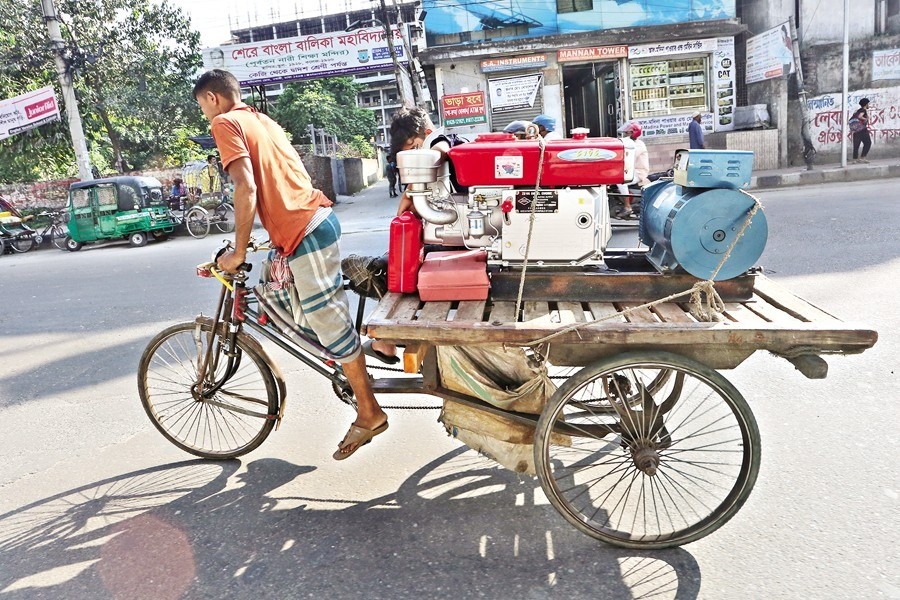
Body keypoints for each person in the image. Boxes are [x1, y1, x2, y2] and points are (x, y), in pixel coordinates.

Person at [192, 69, 387, 460]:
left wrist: (240, 251)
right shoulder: (261, 120)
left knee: (329, 322)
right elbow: (277, 186)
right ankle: (348, 356)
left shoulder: (226, 122)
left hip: (307, 231)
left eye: (202, 108)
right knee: (279, 297)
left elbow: (245, 187)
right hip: (307, 225)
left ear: (212, 98)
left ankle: (369, 412)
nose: (205, 116)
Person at [360, 107, 466, 365]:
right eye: (407, 150)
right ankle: (389, 339)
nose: (412, 154)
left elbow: (439, 153)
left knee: (397, 271)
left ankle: (390, 340)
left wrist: (410, 190)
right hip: (452, 231)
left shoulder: (439, 141)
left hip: (461, 236)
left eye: (413, 145)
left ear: (425, 133)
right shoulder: (433, 144)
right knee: (393, 266)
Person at [614, 121, 650, 218]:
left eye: (628, 132)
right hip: (630, 170)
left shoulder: (639, 145)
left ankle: (627, 207)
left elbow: (628, 157)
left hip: (639, 172)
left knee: (621, 181)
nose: (625, 134)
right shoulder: (629, 141)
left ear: (633, 133)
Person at [851, 98, 872, 163]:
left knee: (856, 145)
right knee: (868, 143)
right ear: (866, 104)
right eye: (868, 103)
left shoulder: (858, 110)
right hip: (862, 129)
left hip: (856, 130)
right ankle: (863, 157)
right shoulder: (863, 110)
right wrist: (865, 119)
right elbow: (860, 116)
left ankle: (855, 159)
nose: (869, 105)